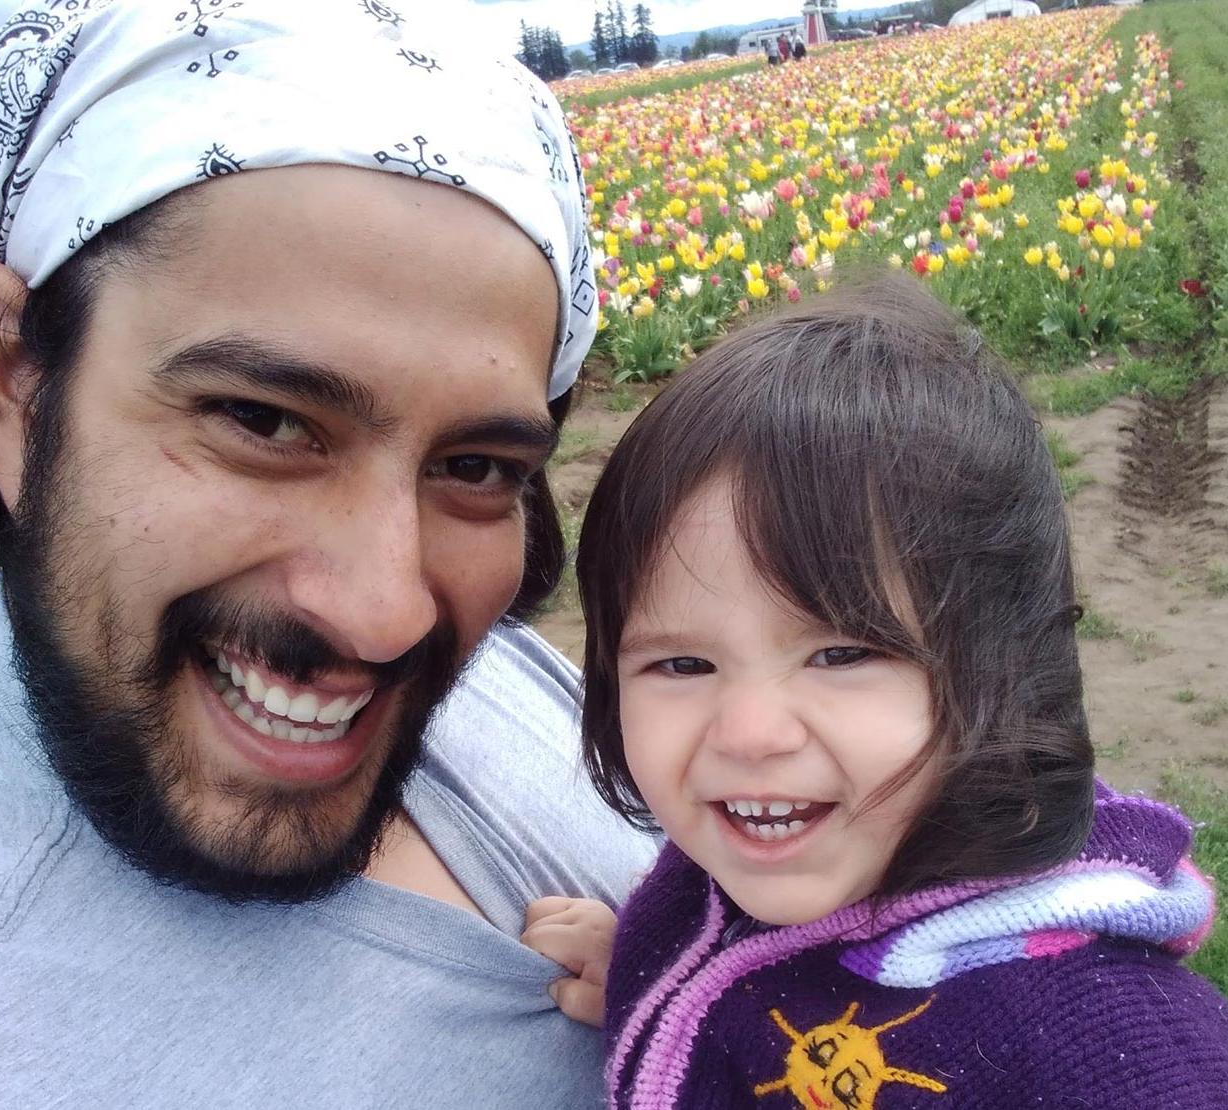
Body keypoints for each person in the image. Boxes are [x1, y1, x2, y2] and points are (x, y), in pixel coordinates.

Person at [0, 1, 656, 1105]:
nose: (386, 611)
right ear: (13, 377)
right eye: (263, 422)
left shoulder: (489, 672)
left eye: (478, 467)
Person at [522, 275, 1228, 1107]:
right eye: (681, 666)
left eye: (843, 653)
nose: (748, 734)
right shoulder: (725, 879)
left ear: (1005, 663)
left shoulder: (1111, 1045)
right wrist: (668, 980)